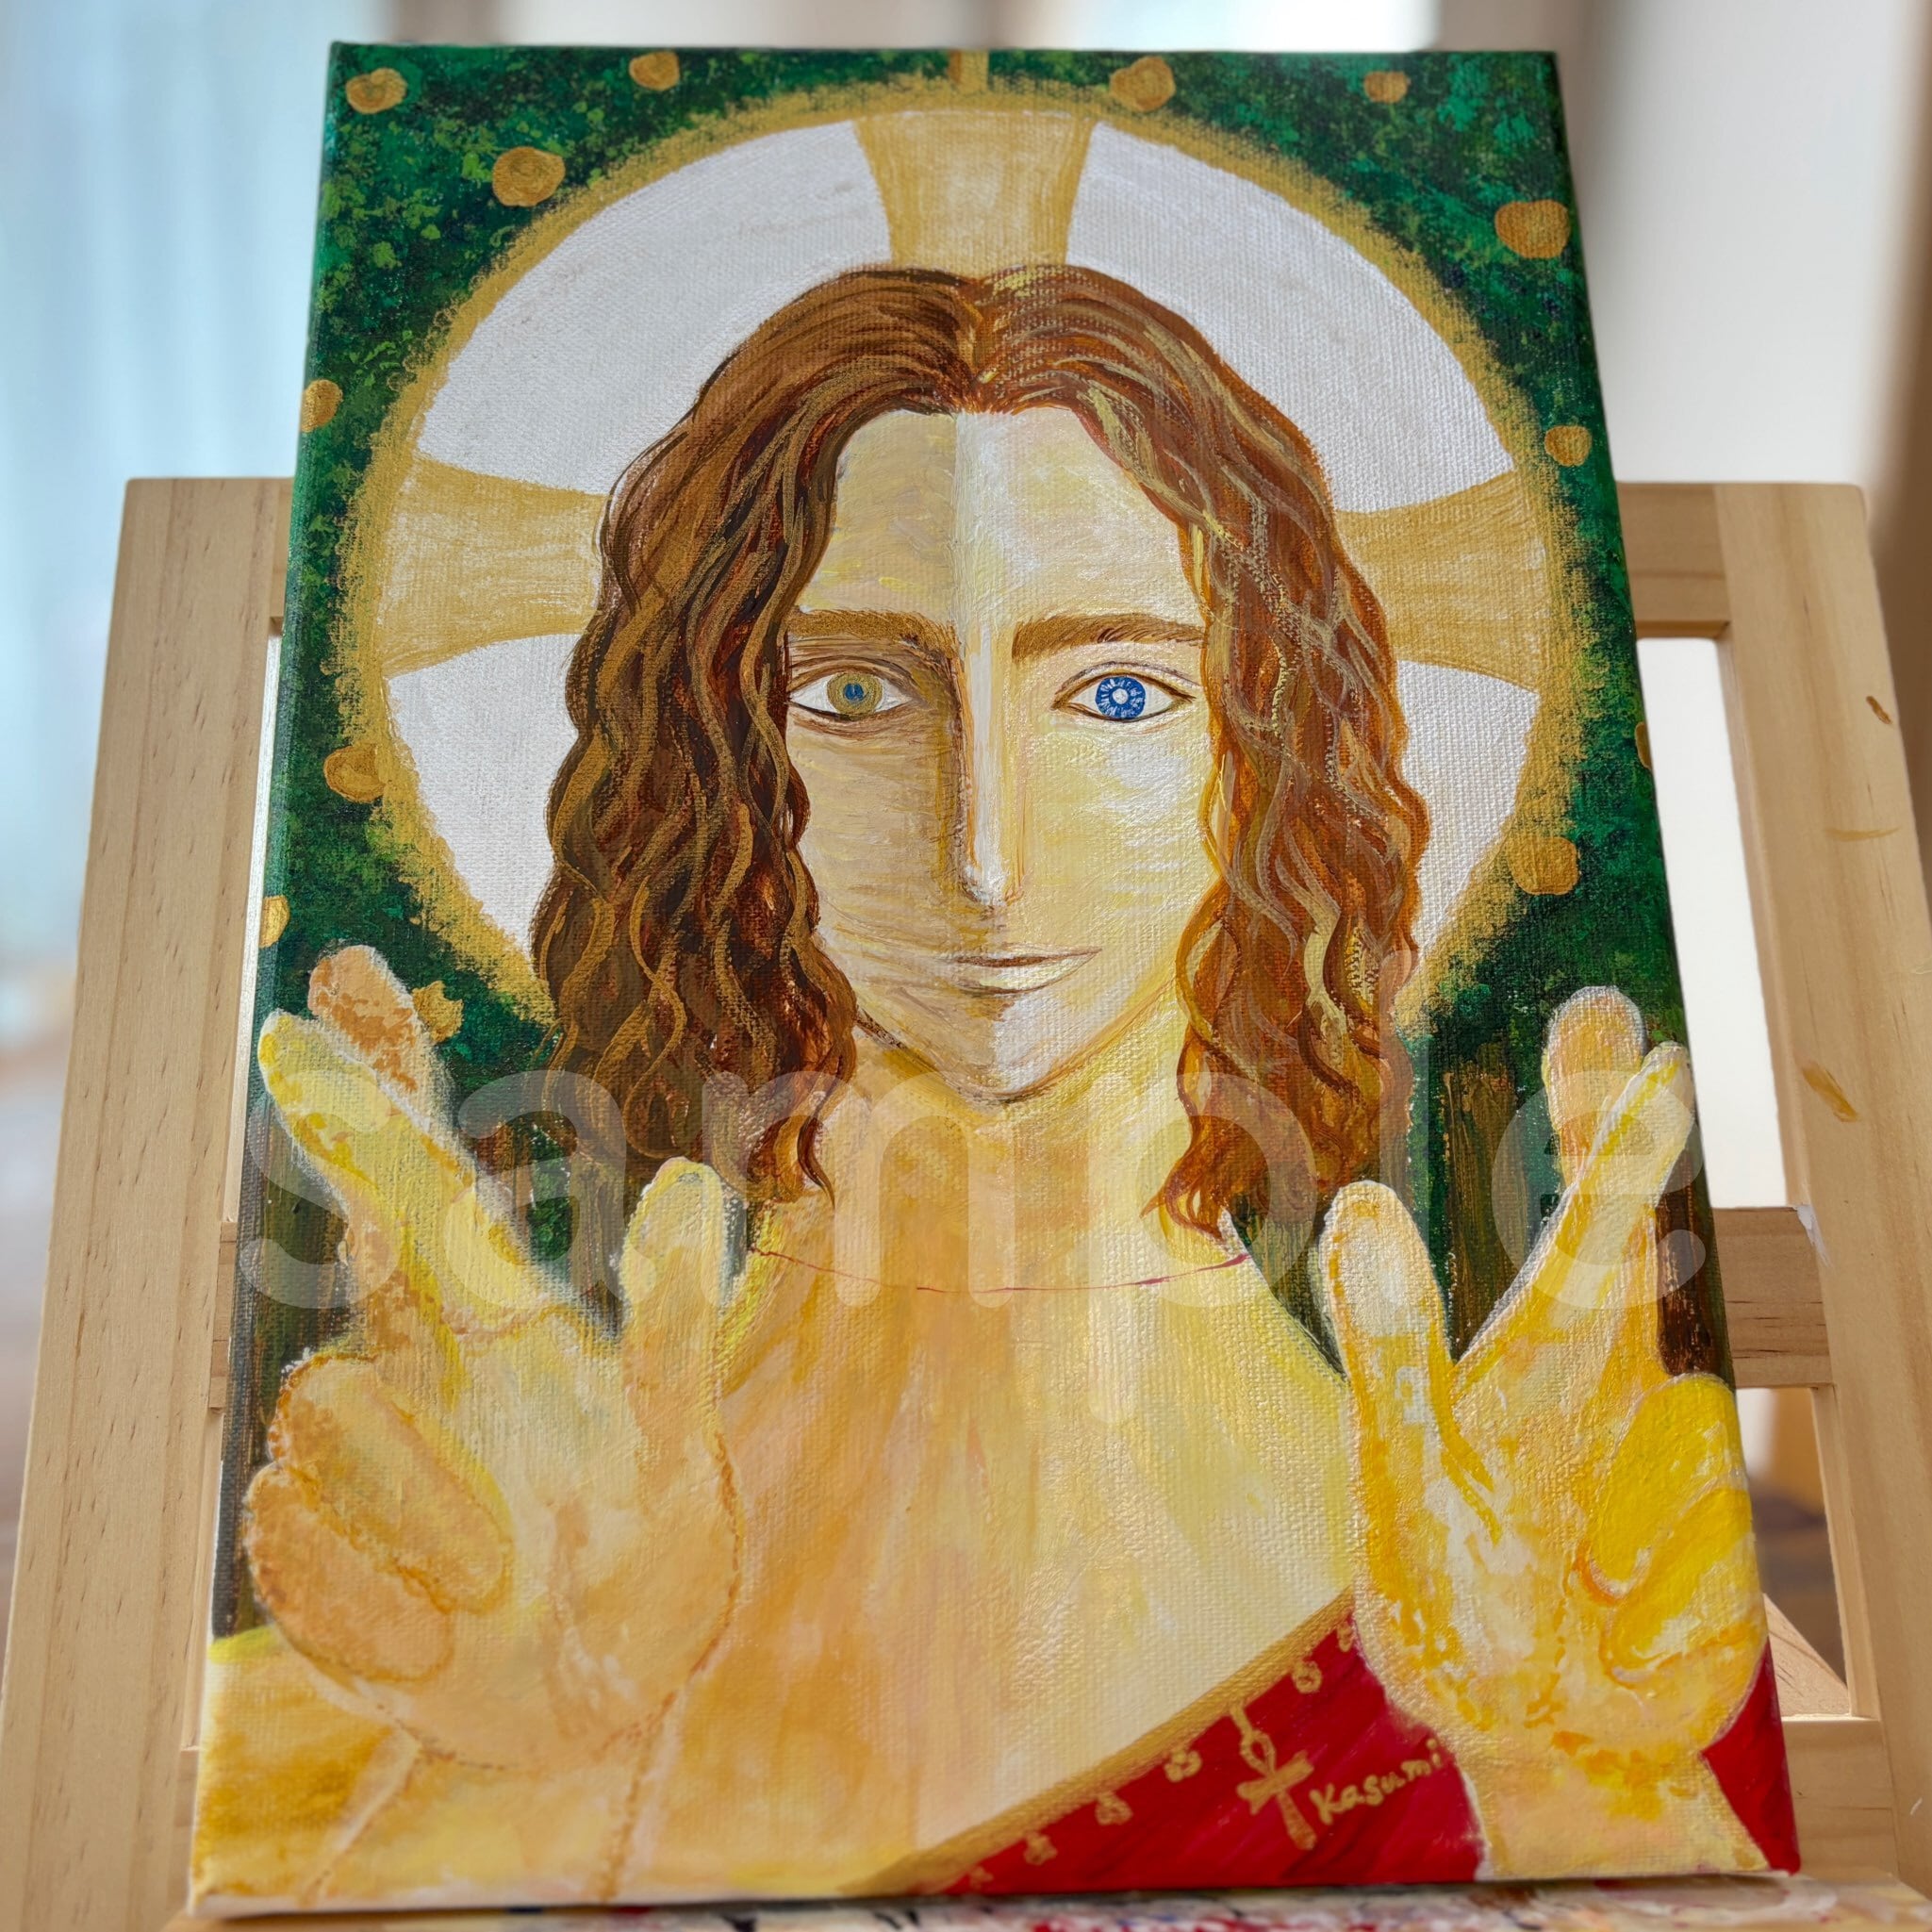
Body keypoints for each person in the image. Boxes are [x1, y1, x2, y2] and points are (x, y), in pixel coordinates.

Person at [193, 266, 1793, 1911]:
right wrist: (516, 1766)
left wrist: (1561, 1767)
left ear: (1266, 744)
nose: (984, 853)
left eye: (1118, 693)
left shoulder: (1502, 1589)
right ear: (705, 751)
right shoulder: (484, 1596)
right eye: (854, 694)